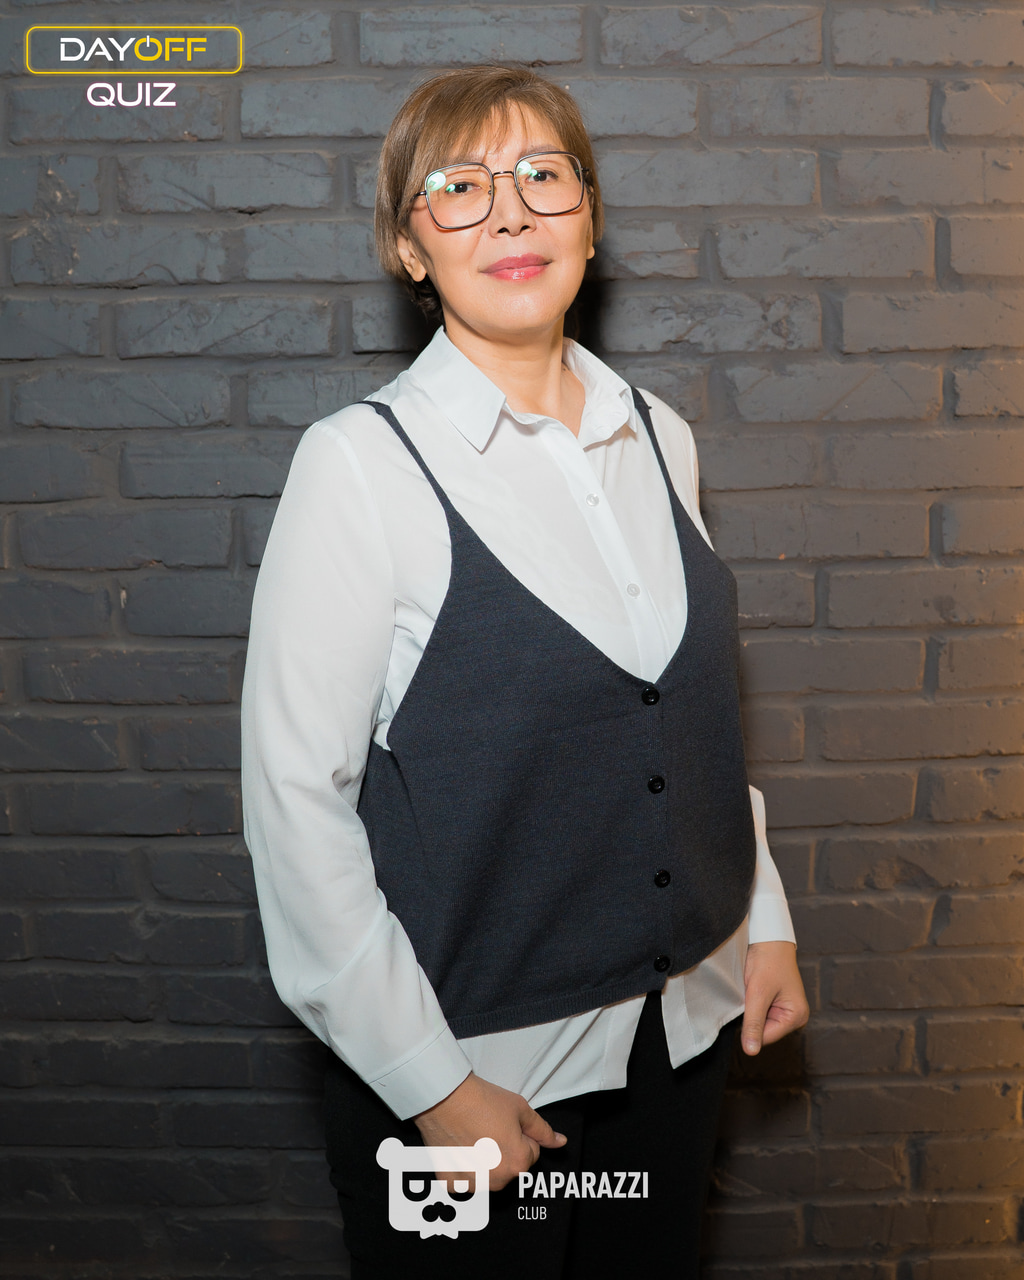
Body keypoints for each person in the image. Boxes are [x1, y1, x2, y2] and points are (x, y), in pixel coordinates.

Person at [241, 63, 809, 1279]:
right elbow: (295, 806)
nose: (509, 211)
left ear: (588, 220)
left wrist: (757, 918)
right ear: (410, 246)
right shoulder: (359, 467)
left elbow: (686, 720)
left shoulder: (661, 434)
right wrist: (431, 1084)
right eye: (459, 187)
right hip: (479, 1069)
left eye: (543, 175)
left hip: (680, 1030)